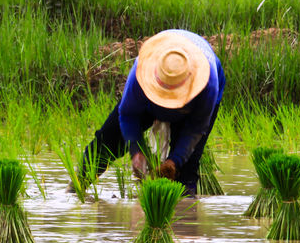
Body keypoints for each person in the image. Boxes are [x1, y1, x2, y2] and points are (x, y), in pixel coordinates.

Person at [77, 29, 224, 196]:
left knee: (186, 170)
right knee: (108, 140)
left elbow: (195, 129)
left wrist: (174, 162)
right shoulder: (142, 72)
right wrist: (136, 151)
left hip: (190, 106)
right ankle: (75, 188)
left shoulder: (208, 84)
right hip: (149, 101)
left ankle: (185, 216)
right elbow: (128, 115)